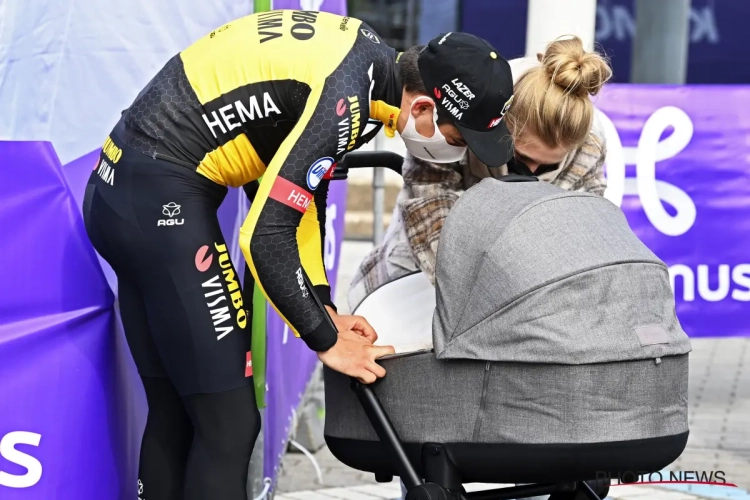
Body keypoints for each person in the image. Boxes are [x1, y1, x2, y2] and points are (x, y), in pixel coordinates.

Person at [82, 10, 516, 500]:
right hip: (160, 200)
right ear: (422, 109)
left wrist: (323, 303)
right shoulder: (348, 97)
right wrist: (326, 338)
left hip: (120, 188)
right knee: (230, 424)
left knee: (178, 411)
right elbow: (265, 234)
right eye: (459, 139)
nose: (459, 154)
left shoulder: (367, 63)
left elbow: (301, 199)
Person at [349, 35, 613, 312]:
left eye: (547, 166)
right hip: (415, 278)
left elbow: (585, 236)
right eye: (520, 159)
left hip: (532, 299)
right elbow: (430, 222)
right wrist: (505, 300)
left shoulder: (589, 146)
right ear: (495, 129)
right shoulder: (468, 112)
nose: (532, 174)